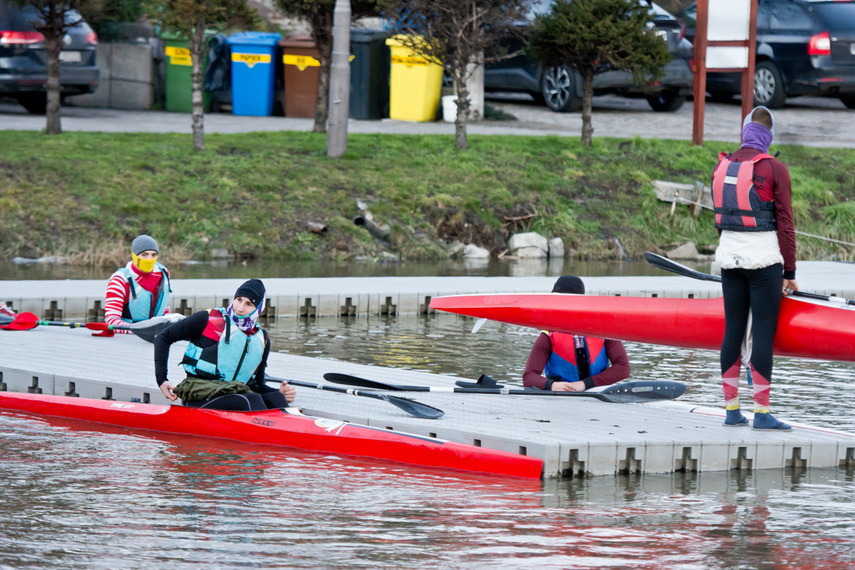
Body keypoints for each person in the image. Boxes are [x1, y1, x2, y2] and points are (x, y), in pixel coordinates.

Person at [712, 106, 797, 431]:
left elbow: (721, 218)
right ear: (768, 137)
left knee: (732, 329)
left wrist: (729, 250)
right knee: (762, 333)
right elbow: (786, 225)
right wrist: (789, 272)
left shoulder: (722, 166)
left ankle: (732, 410)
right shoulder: (775, 169)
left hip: (729, 260)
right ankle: (762, 413)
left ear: (744, 133)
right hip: (764, 263)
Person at [154, 278, 296, 411]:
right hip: (199, 392)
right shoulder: (207, 319)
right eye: (238, 300)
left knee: (276, 398)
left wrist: (278, 392)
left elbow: (256, 384)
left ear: (258, 308)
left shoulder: (262, 339)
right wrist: (162, 380)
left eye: (249, 304)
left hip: (234, 394)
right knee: (251, 399)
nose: (240, 308)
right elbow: (164, 337)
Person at [523, 275, 631, 391]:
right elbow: (529, 377)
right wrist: (552, 385)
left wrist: (585, 384)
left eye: (565, 300)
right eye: (557, 300)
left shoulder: (604, 331)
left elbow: (623, 368)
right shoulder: (548, 336)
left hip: (597, 393)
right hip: (560, 397)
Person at [105, 234, 172, 332]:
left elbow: (165, 308)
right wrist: (139, 330)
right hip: (128, 336)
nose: (149, 259)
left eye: (153, 255)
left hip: (155, 333)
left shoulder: (163, 273)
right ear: (134, 255)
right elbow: (111, 321)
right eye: (144, 255)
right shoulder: (119, 280)